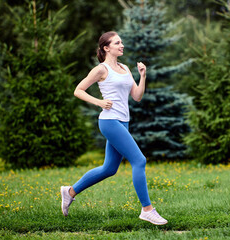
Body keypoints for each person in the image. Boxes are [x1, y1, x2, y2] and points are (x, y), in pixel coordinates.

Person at [60, 31, 168, 225]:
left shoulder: (125, 68)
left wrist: (142, 76)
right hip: (109, 121)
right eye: (117, 43)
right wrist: (100, 102)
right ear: (106, 48)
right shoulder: (100, 70)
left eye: (122, 42)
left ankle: (69, 192)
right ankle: (147, 209)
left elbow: (136, 96)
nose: (122, 45)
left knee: (109, 168)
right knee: (139, 160)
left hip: (123, 122)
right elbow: (78, 90)